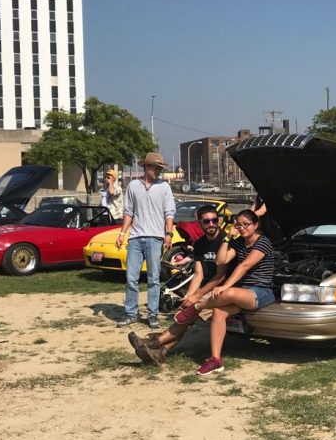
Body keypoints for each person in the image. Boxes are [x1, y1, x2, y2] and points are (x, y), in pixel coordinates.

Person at [172, 208, 275, 376]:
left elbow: (244, 266)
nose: (242, 228)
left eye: (246, 224)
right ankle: (215, 359)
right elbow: (221, 260)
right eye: (239, 225)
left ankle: (196, 307)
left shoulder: (263, 242)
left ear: (255, 225)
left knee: (227, 293)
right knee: (218, 312)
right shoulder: (238, 242)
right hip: (242, 291)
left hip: (261, 292)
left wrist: (225, 286)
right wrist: (227, 238)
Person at [128, 205, 227, 364]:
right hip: (207, 288)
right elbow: (198, 274)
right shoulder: (200, 244)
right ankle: (160, 352)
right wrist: (189, 295)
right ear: (199, 223)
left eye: (214, 220)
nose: (211, 224)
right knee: (185, 311)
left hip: (221, 289)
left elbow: (220, 276)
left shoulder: (224, 241)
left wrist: (197, 296)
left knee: (189, 313)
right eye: (206, 221)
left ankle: (154, 342)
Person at [116, 152, 176, 329]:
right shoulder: (133, 186)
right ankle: (131, 313)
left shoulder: (164, 187)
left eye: (159, 168)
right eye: (155, 167)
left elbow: (169, 212)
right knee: (131, 278)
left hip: (155, 238)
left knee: (154, 279)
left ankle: (152, 314)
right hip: (135, 238)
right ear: (146, 167)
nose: (157, 171)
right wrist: (122, 233)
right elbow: (129, 212)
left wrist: (168, 234)